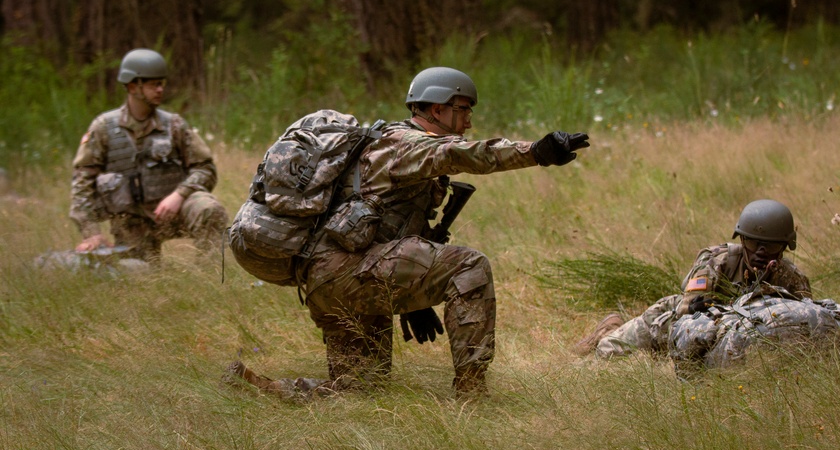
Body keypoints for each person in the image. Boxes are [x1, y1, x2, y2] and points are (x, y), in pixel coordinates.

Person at [229, 66, 589, 398]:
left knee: (360, 389)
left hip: (327, 281)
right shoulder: (405, 142)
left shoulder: (389, 145)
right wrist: (537, 152)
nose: (467, 121)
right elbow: (465, 154)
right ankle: (471, 395)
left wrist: (412, 299)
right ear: (436, 109)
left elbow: (389, 231)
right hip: (348, 271)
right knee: (469, 267)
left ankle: (264, 388)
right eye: (462, 110)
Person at [575, 199, 813, 360]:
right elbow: (687, 308)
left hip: (733, 337)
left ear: (784, 247)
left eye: (770, 246)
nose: (760, 253)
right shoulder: (718, 262)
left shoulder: (792, 279)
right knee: (608, 352)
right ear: (741, 241)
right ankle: (606, 332)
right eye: (752, 243)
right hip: (677, 318)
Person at [69, 48, 229, 262]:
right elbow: (82, 182)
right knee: (137, 274)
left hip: (174, 211)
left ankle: (213, 278)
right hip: (131, 221)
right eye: (154, 84)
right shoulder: (103, 128)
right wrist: (92, 233)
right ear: (133, 86)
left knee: (209, 209)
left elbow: (205, 168)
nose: (161, 90)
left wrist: (179, 195)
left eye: (162, 83)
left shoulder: (174, 125)